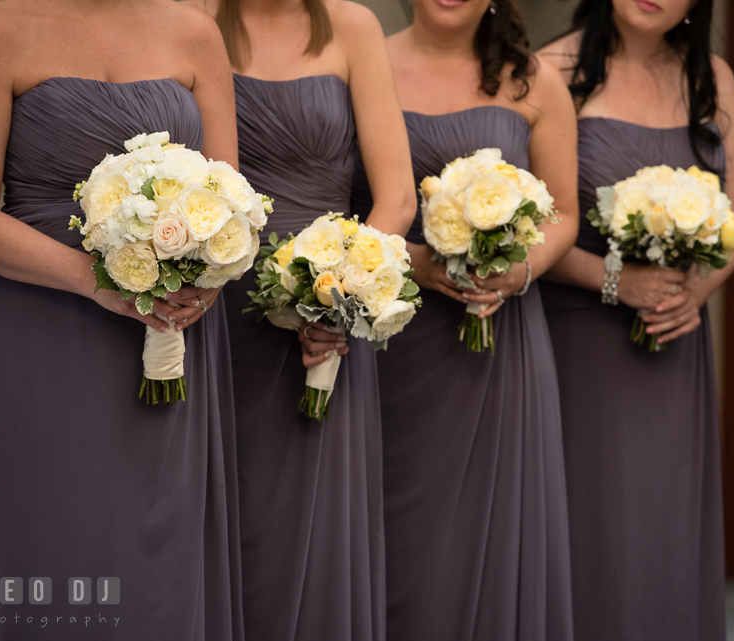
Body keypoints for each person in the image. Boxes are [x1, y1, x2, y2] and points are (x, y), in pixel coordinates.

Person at [0, 0, 243, 638]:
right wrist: (97, 281)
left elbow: (232, 198)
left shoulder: (194, 31)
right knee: (58, 524)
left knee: (163, 541)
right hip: (44, 323)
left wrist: (207, 282)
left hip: (172, 324)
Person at [349, 0, 579, 638]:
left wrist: (518, 270)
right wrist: (411, 260)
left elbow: (562, 215)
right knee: (393, 522)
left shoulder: (533, 79)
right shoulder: (368, 61)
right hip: (390, 334)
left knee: (487, 521)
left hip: (497, 339)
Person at [189, 0, 416, 637]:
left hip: (326, 319)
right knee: (215, 505)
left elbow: (396, 196)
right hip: (211, 307)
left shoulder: (353, 27)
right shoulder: (189, 19)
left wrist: (338, 297)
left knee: (311, 516)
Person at [538, 1, 734, 639]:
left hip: (673, 339)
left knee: (664, 524)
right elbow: (534, 227)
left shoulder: (712, 76)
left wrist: (697, 292)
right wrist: (614, 280)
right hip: (580, 341)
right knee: (590, 524)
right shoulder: (553, 71)